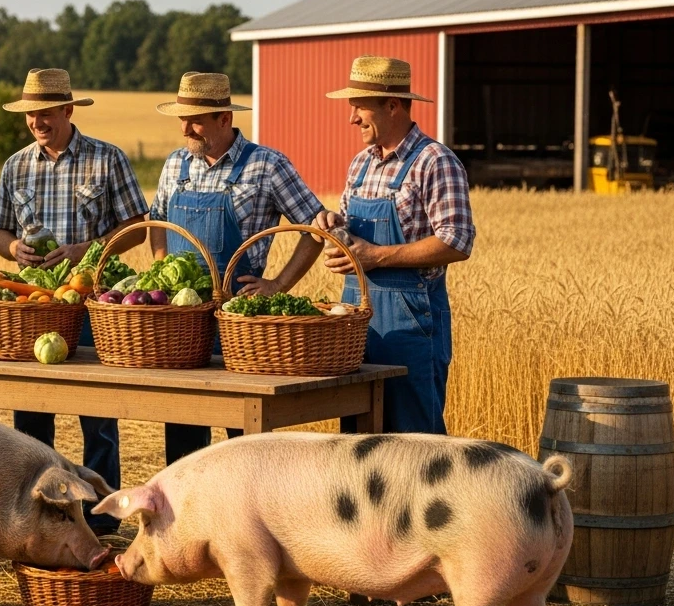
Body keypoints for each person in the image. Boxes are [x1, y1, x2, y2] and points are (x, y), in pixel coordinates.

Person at [0, 68, 148, 534]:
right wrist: (11, 248)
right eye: (30, 114)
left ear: (68, 110)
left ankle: (102, 521)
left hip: (92, 305)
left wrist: (87, 251)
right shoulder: (15, 165)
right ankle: (40, 517)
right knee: (31, 416)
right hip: (34, 307)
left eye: (45, 112)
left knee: (97, 415)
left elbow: (136, 224)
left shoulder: (106, 159)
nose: (37, 121)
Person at [151, 71, 325, 464]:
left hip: (240, 325)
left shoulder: (266, 165)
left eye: (194, 119)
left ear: (224, 119)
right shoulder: (176, 164)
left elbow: (315, 228)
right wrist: (161, 268)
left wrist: (278, 284)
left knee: (244, 438)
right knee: (182, 434)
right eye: (182, 118)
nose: (184, 128)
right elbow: (156, 220)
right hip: (181, 325)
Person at [318, 56, 475, 434]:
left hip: (411, 321)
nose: (352, 118)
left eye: (360, 107)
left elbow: (457, 240)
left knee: (415, 443)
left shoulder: (435, 161)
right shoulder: (360, 164)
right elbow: (350, 233)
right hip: (355, 320)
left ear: (393, 105)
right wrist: (331, 230)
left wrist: (376, 256)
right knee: (358, 440)